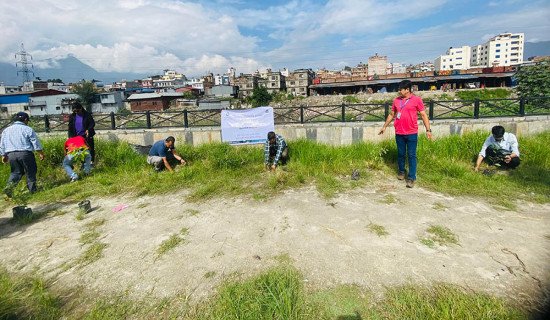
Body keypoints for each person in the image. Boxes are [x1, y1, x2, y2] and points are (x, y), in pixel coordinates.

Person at [378, 80, 433, 188]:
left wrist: (428, 130)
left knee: (412, 155)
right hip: (399, 132)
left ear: (407, 90)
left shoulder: (417, 100)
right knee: (401, 154)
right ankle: (402, 171)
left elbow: (423, 115)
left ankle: (411, 177)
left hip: (412, 132)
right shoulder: (396, 100)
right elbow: (391, 114)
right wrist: (384, 126)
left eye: (400, 89)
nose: (398, 91)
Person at [0, 112, 45, 194]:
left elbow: (2, 144)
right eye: (27, 121)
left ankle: (9, 189)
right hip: (25, 153)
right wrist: (40, 153)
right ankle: (32, 190)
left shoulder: (6, 130)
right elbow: (35, 142)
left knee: (15, 172)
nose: (27, 122)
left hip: (11, 154)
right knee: (30, 171)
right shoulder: (27, 129)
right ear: (25, 120)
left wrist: (3, 155)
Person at [68, 101, 96, 166]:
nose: (76, 113)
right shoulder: (72, 116)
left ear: (80, 108)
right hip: (78, 137)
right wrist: (71, 137)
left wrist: (88, 129)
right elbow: (70, 127)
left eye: (77, 111)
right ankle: (83, 163)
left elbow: (92, 123)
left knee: (90, 148)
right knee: (80, 150)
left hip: (87, 135)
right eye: (74, 111)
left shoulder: (87, 115)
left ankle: (91, 162)